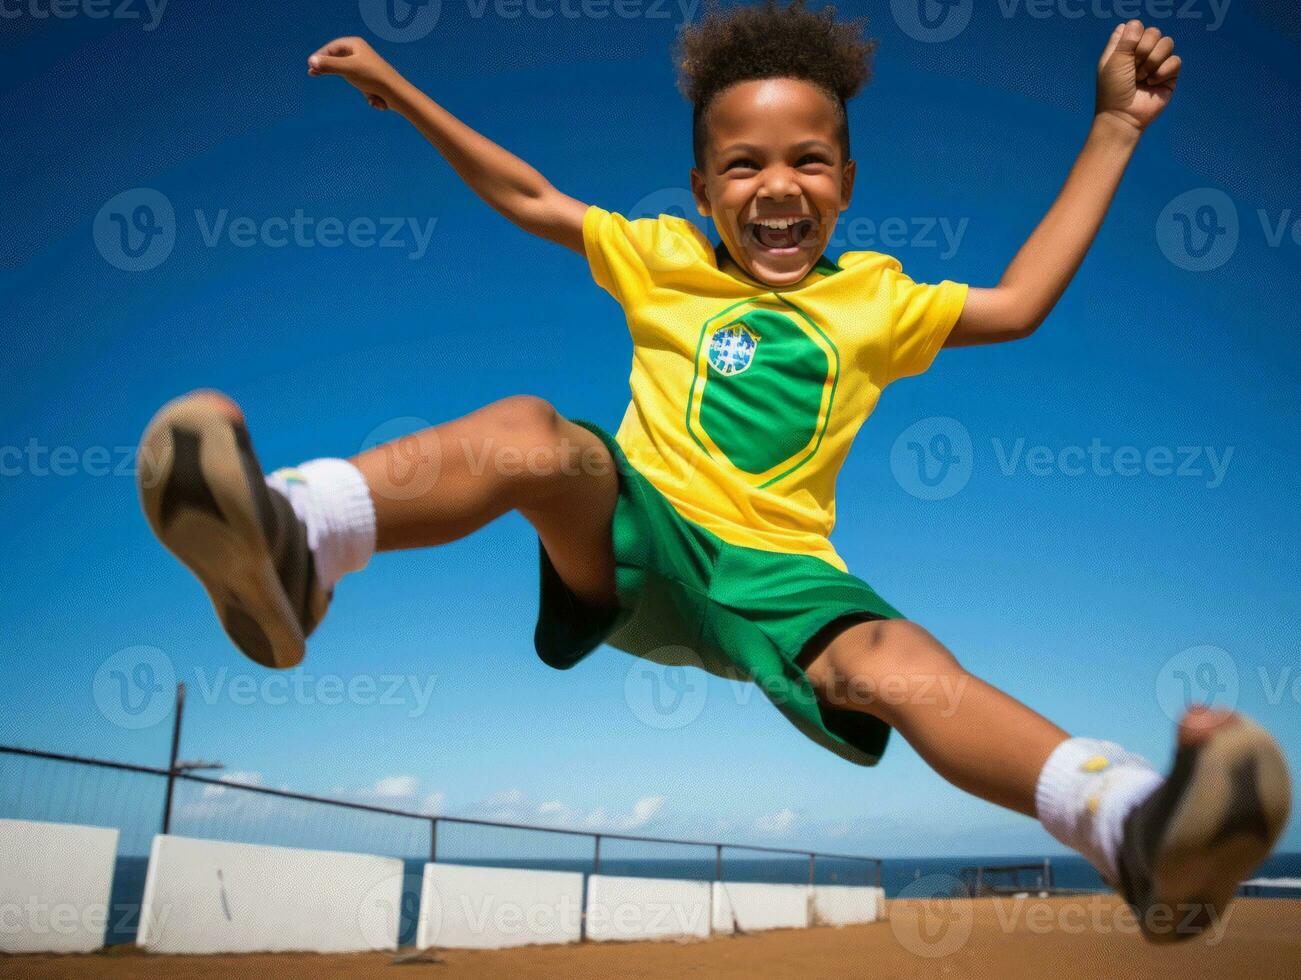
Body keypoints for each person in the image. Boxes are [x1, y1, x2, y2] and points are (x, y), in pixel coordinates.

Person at [136, 1, 1288, 942]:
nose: (772, 185)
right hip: (634, 534)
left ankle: (1129, 824)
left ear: (843, 180)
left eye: (804, 161)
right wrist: (407, 96)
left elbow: (1020, 302)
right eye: (739, 165)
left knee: (895, 659)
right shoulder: (664, 259)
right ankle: (304, 540)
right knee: (537, 433)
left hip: (781, 577)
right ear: (698, 191)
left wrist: (1114, 130)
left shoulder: (877, 298)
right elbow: (530, 194)